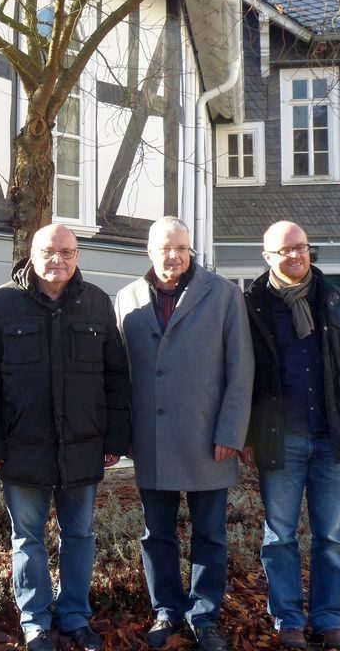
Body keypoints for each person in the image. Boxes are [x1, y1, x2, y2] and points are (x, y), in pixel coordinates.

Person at [0, 223, 131, 651]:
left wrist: (115, 439)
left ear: (77, 255)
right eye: (49, 251)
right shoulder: (2, 303)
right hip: (22, 448)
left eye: (67, 251)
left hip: (83, 448)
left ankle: (75, 615)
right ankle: (35, 620)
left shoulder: (96, 302)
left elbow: (116, 377)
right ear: (32, 252)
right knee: (28, 538)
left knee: (79, 535)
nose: (58, 259)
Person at [114, 216, 254, 651]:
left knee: (210, 533)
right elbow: (119, 374)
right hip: (151, 438)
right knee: (156, 534)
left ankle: (205, 614)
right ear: (149, 251)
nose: (173, 256)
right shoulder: (128, 298)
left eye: (181, 247)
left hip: (207, 439)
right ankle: (166, 610)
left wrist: (231, 430)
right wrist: (123, 436)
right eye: (164, 248)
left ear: (191, 250)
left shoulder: (224, 294)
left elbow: (241, 368)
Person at [242, 221, 340, 651]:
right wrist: (245, 435)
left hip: (332, 436)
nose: (296, 256)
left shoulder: (334, 300)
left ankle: (329, 620)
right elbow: (242, 378)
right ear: (267, 256)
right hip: (279, 439)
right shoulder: (251, 305)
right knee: (279, 536)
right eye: (285, 250)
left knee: (330, 536)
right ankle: (288, 620)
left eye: (301, 247)